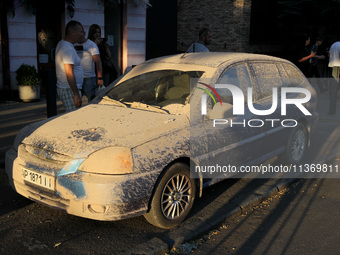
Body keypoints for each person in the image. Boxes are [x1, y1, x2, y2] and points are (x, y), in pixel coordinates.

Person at [55, 20, 84, 112]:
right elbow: (69, 73)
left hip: (68, 89)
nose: (82, 34)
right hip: (69, 90)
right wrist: (76, 94)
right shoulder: (67, 48)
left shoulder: (63, 44)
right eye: (80, 31)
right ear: (72, 32)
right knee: (74, 117)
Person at [75, 30, 104, 101]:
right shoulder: (73, 44)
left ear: (84, 34)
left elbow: (98, 61)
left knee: (92, 100)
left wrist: (100, 78)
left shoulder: (91, 45)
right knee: (76, 100)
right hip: (77, 77)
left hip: (89, 77)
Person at [328, 41, 340, 114]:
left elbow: (329, 55)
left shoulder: (333, 44)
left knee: (334, 87)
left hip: (333, 66)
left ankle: (331, 111)